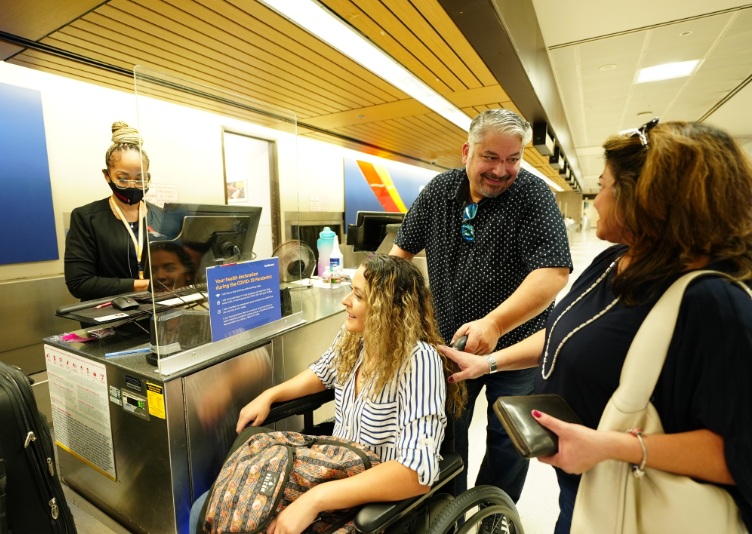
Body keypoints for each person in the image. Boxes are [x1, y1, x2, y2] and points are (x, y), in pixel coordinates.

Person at [440, 119, 752, 532]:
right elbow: (562, 332)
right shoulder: (617, 261)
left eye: (603, 186)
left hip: (638, 506)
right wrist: (490, 363)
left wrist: (609, 448)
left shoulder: (714, 303)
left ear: (647, 199)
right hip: (585, 496)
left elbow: (738, 451)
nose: (596, 202)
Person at [189, 254, 466, 534]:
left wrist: (314, 500)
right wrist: (270, 395)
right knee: (206, 508)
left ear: (389, 309)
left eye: (358, 295)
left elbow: (416, 473)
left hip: (373, 498)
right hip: (331, 469)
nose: (346, 301)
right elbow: (321, 373)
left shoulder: (418, 361)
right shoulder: (355, 338)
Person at [390, 108, 573, 501]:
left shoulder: (532, 195)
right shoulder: (439, 192)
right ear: (466, 152)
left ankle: (492, 514)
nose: (502, 170)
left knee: (510, 442)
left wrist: (495, 323)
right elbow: (399, 255)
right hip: (449, 348)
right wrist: (373, 296)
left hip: (517, 349)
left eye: (513, 158)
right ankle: (450, 512)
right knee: (445, 436)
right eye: (491, 157)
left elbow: (553, 272)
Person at [64, 121, 163, 300]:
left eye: (141, 179)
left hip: (158, 312)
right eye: (123, 179)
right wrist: (146, 285)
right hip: (111, 316)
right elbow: (79, 283)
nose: (133, 185)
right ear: (107, 175)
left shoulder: (161, 216)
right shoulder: (87, 218)